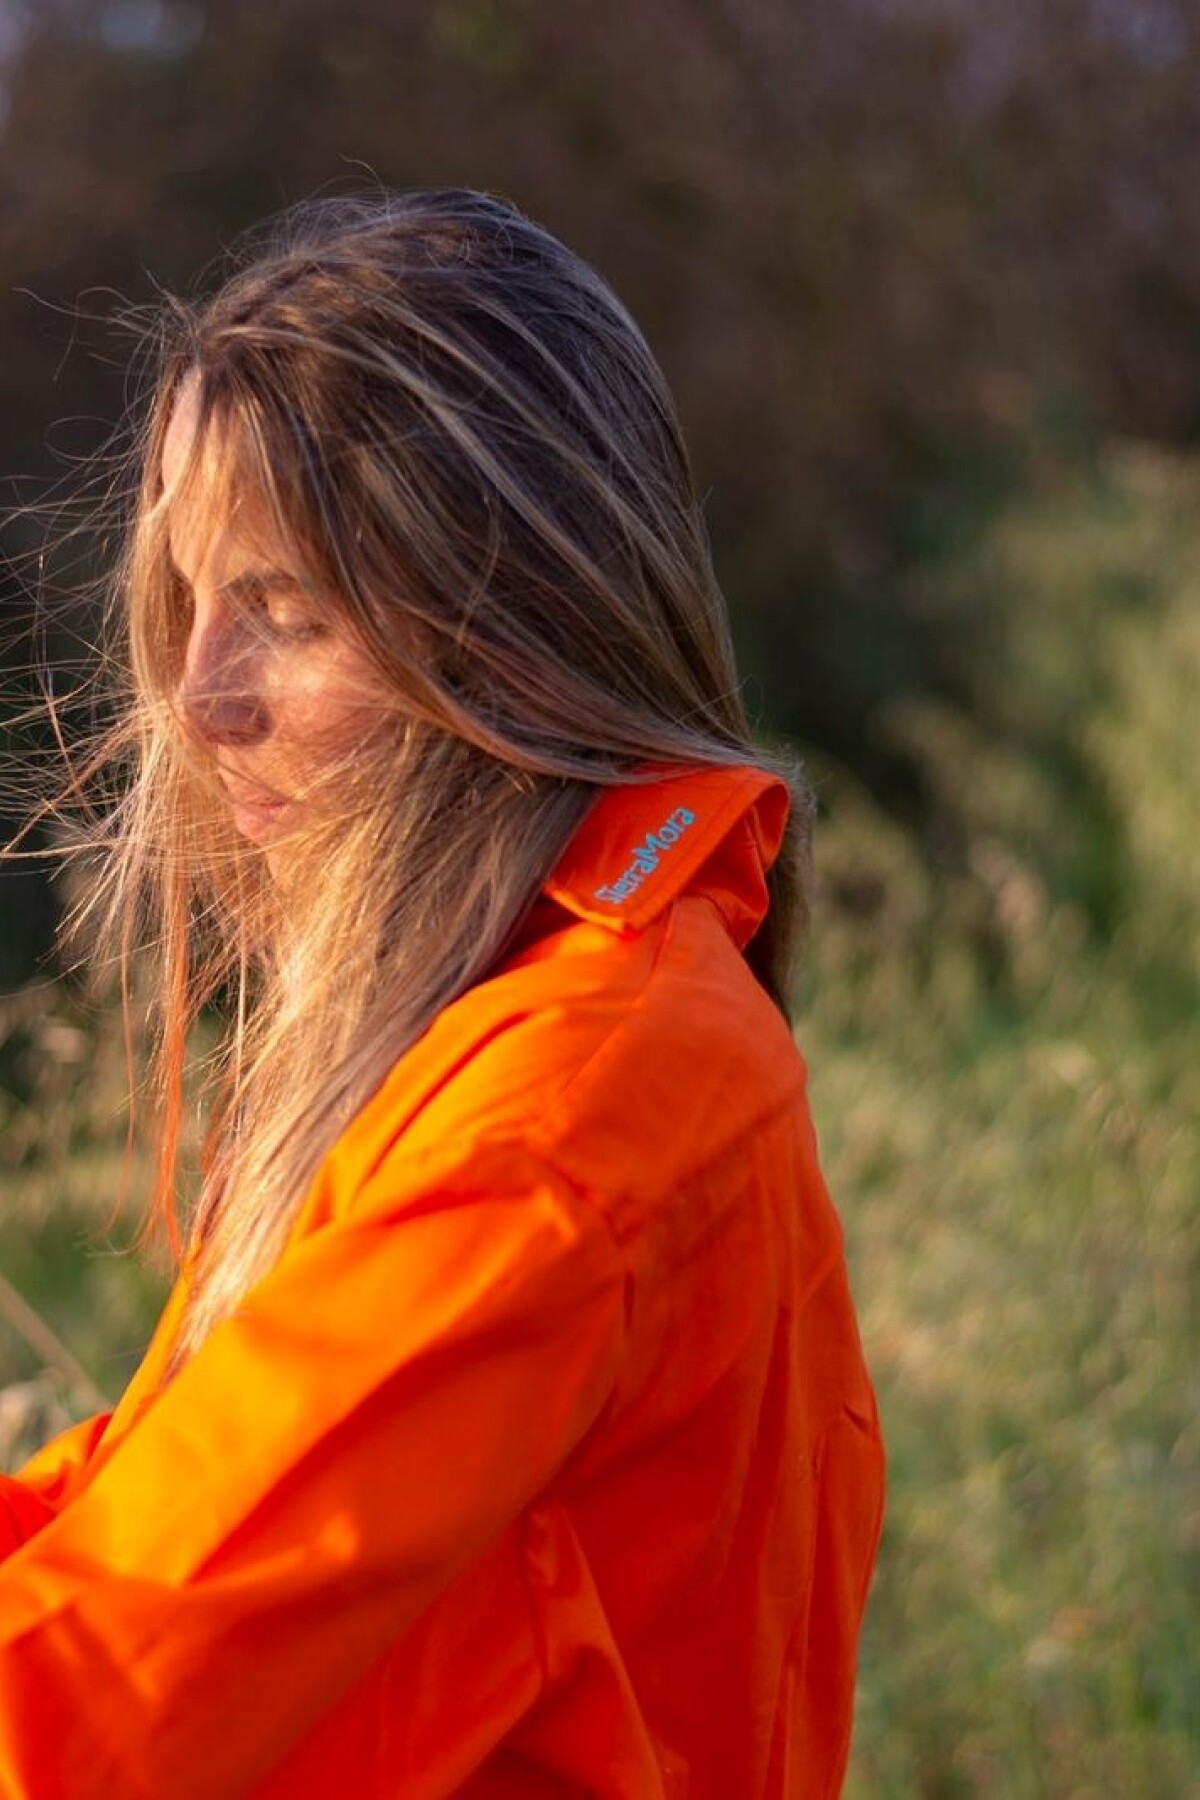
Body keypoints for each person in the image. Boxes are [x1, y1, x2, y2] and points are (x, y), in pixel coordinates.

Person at [0, 189, 884, 1798]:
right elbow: (149, 1518)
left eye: (288, 612)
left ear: (522, 631)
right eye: (192, 604)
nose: (200, 698)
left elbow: (92, 1708)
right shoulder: (531, 1029)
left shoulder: (568, 1107)